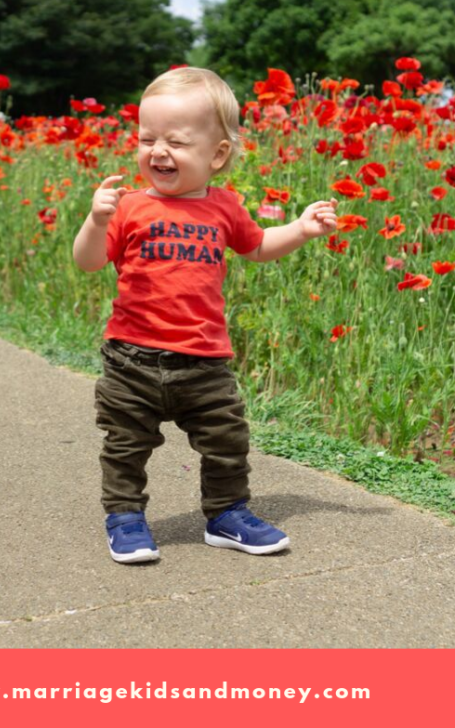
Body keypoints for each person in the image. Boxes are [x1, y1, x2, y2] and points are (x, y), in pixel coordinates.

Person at [73, 67, 337, 564]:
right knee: (126, 444)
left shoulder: (225, 208)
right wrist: (95, 220)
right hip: (132, 360)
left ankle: (226, 514)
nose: (157, 151)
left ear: (217, 155)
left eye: (176, 141)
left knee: (227, 441)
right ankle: (125, 517)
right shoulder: (128, 207)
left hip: (205, 360)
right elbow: (87, 261)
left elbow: (257, 246)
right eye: (147, 138)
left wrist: (300, 229)